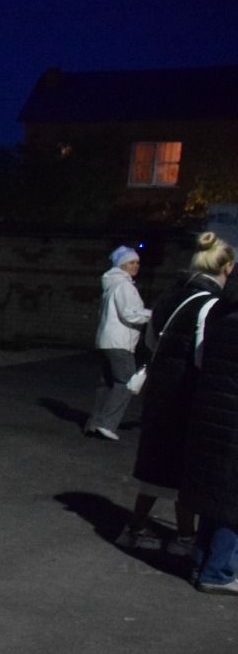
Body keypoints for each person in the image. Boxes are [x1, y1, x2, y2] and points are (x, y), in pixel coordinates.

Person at [119, 233, 234, 555]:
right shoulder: (210, 304)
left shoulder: (173, 294)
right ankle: (184, 538)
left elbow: (153, 342)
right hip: (186, 392)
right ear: (225, 268)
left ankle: (136, 527)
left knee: (158, 463)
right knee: (184, 469)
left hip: (160, 388)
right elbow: (202, 356)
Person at [182, 279, 238, 594]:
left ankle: (200, 563)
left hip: (211, 415)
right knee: (232, 501)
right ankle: (219, 572)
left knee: (214, 495)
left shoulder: (218, 313)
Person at [83, 245, 151, 441]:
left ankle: (94, 423)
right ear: (121, 264)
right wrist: (153, 315)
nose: (135, 266)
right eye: (131, 262)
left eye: (137, 262)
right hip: (120, 341)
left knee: (107, 384)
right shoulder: (124, 286)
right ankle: (107, 424)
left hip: (106, 340)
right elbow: (130, 313)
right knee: (126, 382)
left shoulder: (111, 284)